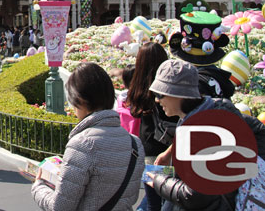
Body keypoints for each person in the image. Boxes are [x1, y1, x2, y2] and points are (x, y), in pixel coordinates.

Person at [146, 59, 265, 210]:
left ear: (179, 94)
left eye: (160, 94)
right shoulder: (218, 108)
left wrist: (159, 181)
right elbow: (259, 129)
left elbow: (194, 196)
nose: (156, 100)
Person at [31, 62, 145, 210]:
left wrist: (38, 186)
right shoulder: (135, 144)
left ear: (81, 100)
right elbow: (131, 197)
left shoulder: (82, 144)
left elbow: (60, 207)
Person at [125, 42, 175, 211]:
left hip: (150, 153)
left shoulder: (139, 88)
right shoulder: (169, 89)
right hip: (171, 151)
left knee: (153, 199)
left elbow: (134, 112)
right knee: (169, 198)